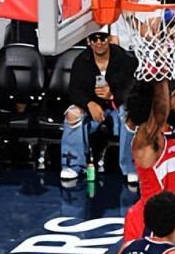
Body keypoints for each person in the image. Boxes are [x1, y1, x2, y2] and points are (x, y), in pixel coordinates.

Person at [121, 74, 175, 240]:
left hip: (168, 216)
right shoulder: (148, 138)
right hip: (148, 222)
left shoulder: (173, 127)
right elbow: (160, 108)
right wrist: (160, 74)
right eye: (171, 94)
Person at [59, 29, 137, 182]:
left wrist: (113, 95)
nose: (99, 42)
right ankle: (73, 165)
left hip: (119, 105)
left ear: (109, 39)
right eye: (94, 39)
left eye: (103, 38)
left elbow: (133, 88)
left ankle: (131, 167)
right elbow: (74, 90)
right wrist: (89, 104)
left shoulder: (125, 59)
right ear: (89, 41)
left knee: (131, 116)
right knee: (72, 114)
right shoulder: (81, 61)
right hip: (92, 108)